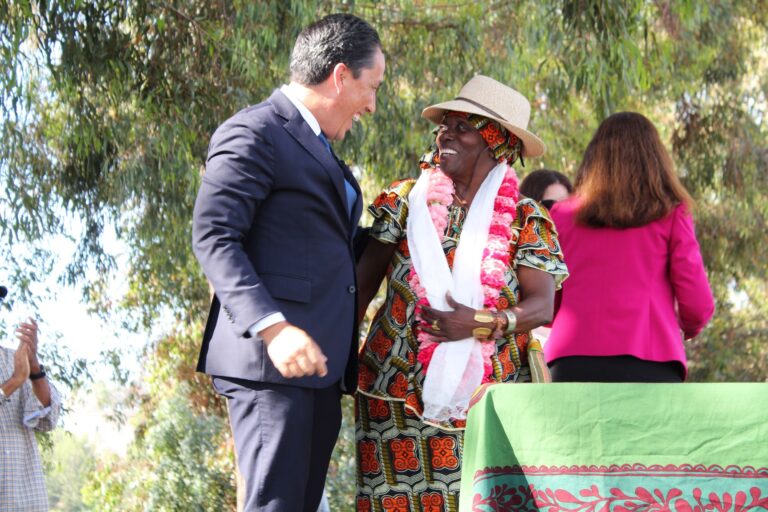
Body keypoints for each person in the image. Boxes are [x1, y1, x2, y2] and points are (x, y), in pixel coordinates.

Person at [191, 14, 385, 511]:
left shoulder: (320, 147)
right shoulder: (254, 131)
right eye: (372, 87)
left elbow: (324, 247)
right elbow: (213, 236)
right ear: (341, 76)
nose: (372, 105)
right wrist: (274, 329)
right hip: (269, 367)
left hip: (317, 369)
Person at [354, 75, 568, 510]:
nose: (445, 134)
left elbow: (542, 306)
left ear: (497, 143)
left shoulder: (527, 218)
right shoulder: (404, 201)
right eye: (444, 126)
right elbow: (358, 290)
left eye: (462, 127)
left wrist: (481, 324)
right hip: (390, 401)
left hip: (486, 406)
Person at [545, 112, 715, 382]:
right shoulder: (672, 214)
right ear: (655, 160)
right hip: (651, 357)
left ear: (594, 160)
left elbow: (548, 296)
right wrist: (689, 326)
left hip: (572, 358)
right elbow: (696, 301)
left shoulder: (561, 215)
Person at [0, 318, 61, 511]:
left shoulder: (15, 360)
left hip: (26, 503)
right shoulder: (18, 372)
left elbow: (47, 418)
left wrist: (34, 368)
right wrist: (15, 380)